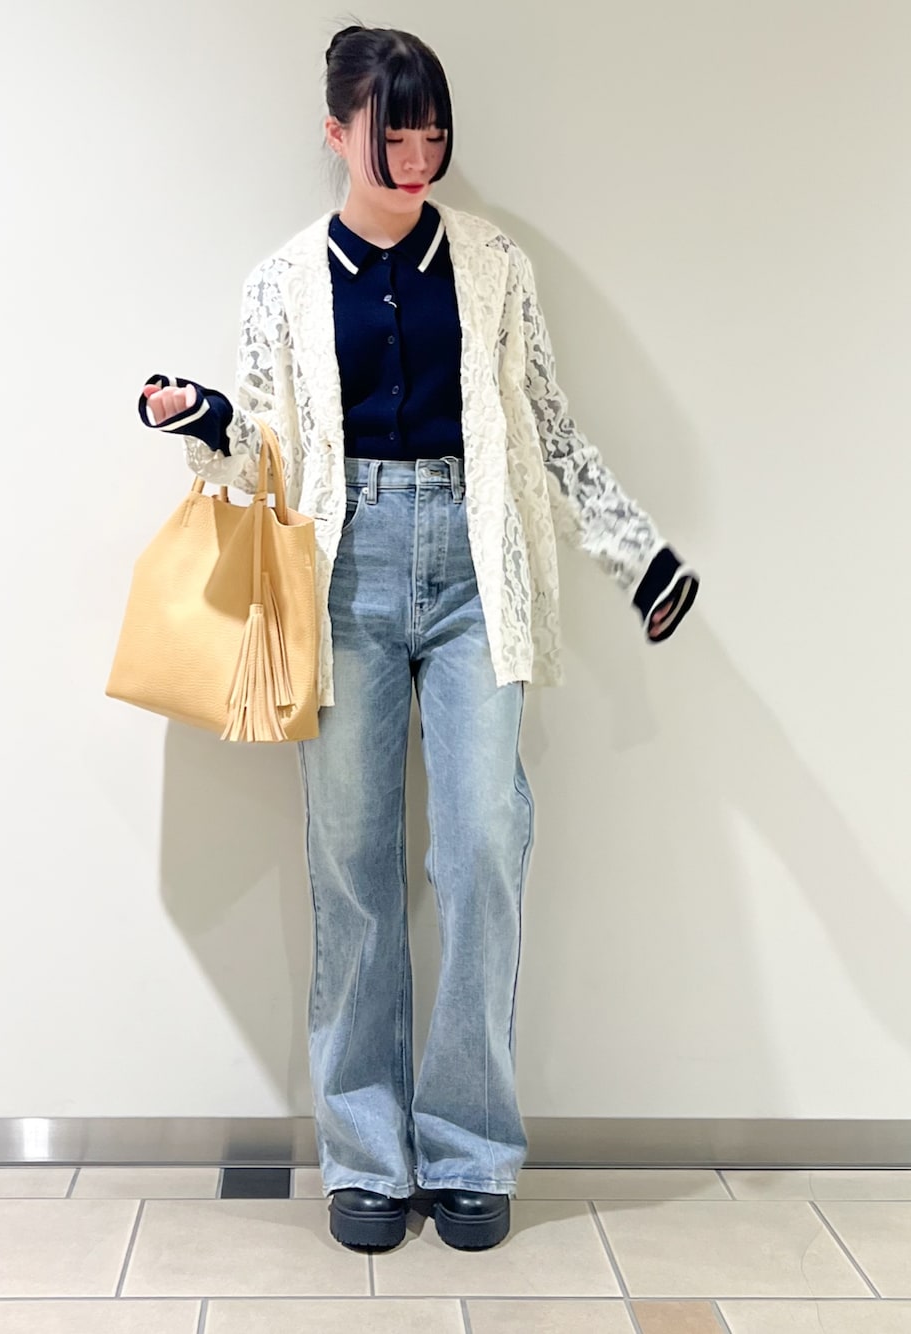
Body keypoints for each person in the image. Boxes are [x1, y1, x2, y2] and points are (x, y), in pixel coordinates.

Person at [137, 23, 699, 1255]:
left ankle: (468, 1148)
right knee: (351, 865)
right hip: (339, 575)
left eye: (432, 131)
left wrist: (638, 554)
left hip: (472, 570)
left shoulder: (492, 264)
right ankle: (365, 1154)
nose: (416, 156)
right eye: (392, 133)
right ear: (335, 133)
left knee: (485, 845)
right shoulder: (282, 282)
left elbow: (546, 424)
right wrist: (204, 415)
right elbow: (266, 451)